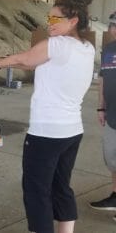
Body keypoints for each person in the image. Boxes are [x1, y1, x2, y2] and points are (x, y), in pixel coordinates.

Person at [0, 0, 95, 233]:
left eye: (56, 19)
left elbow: (27, 59)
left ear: (73, 20)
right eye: (49, 18)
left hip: (47, 133)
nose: (50, 23)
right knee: (61, 186)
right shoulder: (86, 48)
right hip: (72, 131)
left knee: (37, 191)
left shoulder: (57, 44)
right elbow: (44, 65)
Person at [88, 12, 116, 220]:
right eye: (112, 25)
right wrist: (100, 107)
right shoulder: (107, 50)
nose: (113, 29)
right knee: (113, 159)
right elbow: (103, 80)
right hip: (112, 115)